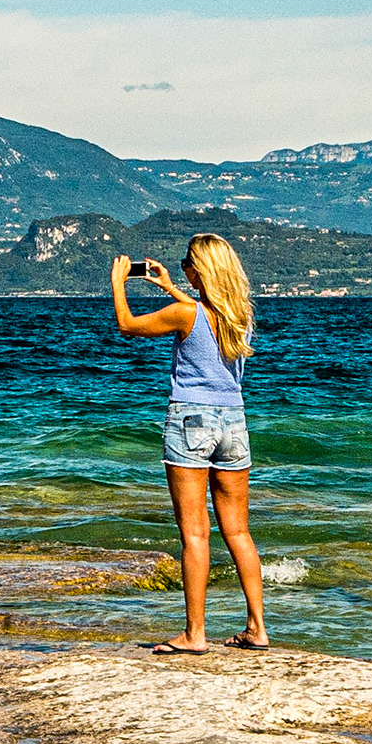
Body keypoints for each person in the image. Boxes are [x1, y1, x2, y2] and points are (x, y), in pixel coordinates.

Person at [111, 235, 270, 655]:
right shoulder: (241, 316)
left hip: (191, 421)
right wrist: (168, 286)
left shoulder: (185, 314)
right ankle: (257, 627)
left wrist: (117, 283)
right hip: (235, 423)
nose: (182, 268)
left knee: (195, 534)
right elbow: (204, 312)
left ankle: (194, 634)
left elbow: (127, 325)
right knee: (238, 531)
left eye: (187, 263)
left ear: (200, 270)